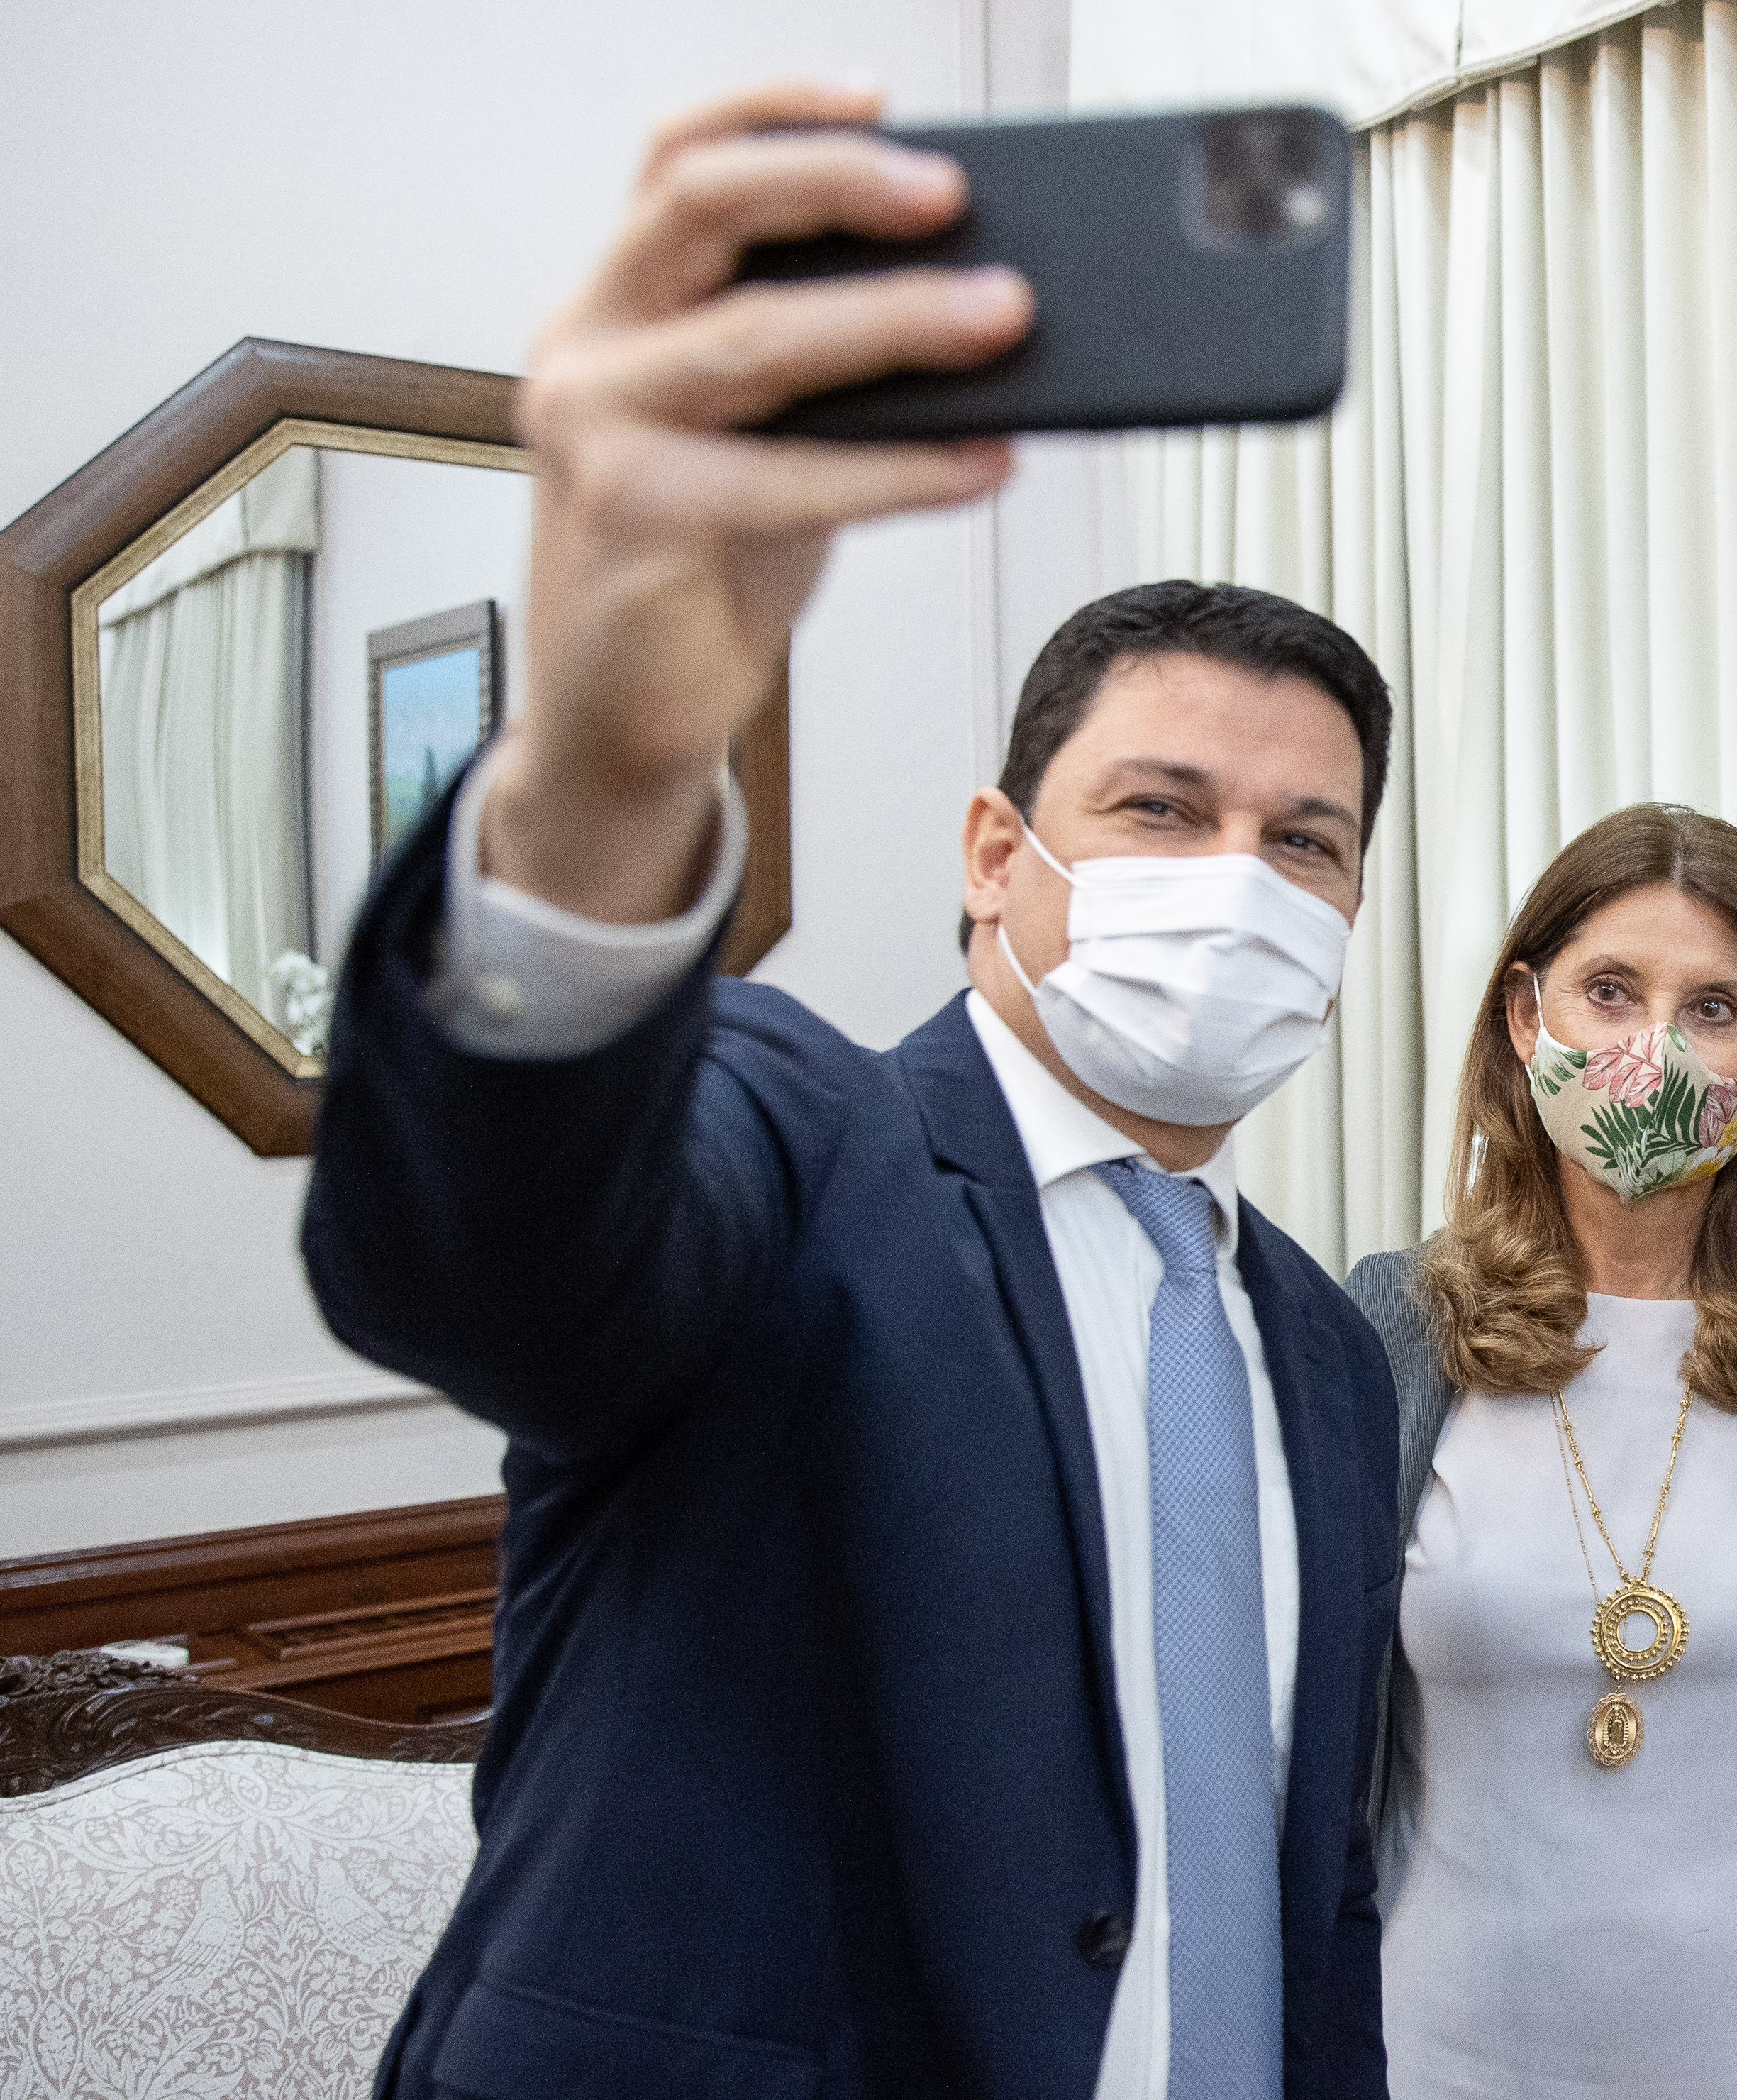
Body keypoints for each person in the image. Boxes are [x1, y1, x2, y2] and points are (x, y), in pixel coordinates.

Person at [302, 85, 1398, 2100]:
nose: (1237, 878)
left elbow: (1310, 1883)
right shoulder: (797, 1150)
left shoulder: (1327, 1355)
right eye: (1162, 810)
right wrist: (606, 773)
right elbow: (488, 1256)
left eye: (1304, 842)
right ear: (997, 853)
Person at [1343, 804, 1737, 2100]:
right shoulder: (1391, 1328)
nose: (1654, 1049)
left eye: (1712, 1008)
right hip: (1451, 2043)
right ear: (1528, 1019)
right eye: (1611, 992)